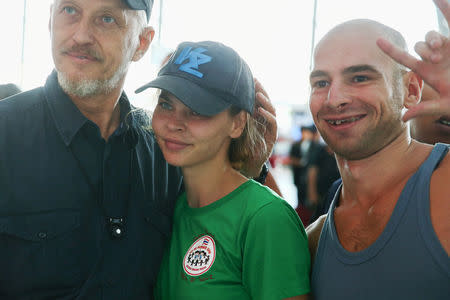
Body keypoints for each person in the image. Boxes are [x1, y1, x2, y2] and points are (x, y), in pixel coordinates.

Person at [0, 1, 276, 299]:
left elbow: (269, 249)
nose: (80, 35)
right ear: (50, 20)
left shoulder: (169, 153)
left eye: (106, 19)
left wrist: (250, 168)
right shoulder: (5, 134)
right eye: (69, 11)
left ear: (142, 43)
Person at [135, 41, 310, 299]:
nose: (174, 123)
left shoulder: (265, 218)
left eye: (196, 110)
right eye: (166, 104)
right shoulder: (174, 206)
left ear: (237, 124)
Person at [307, 0, 450, 298]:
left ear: (411, 90)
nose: (334, 98)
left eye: (359, 77)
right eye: (321, 82)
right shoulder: (316, 238)